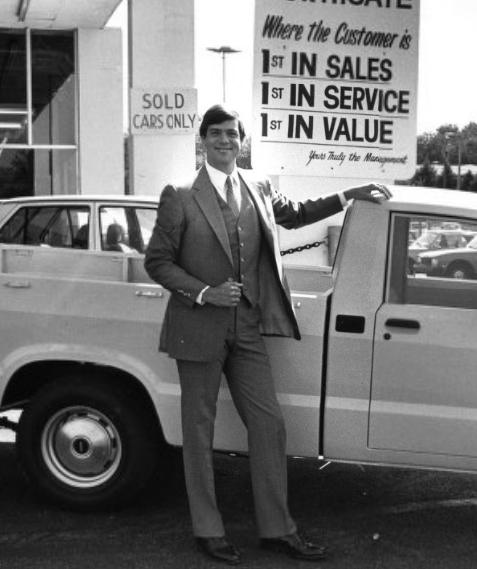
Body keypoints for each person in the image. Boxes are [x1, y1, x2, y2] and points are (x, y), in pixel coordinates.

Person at [144, 104, 390, 565]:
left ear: (243, 141)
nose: (224, 141)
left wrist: (348, 194)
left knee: (269, 424)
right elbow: (157, 261)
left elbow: (295, 214)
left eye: (232, 134)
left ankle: (277, 530)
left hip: (249, 325)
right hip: (198, 325)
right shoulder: (179, 194)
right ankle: (208, 530)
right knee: (199, 430)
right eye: (215, 134)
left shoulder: (258, 185)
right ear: (201, 141)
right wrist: (203, 293)